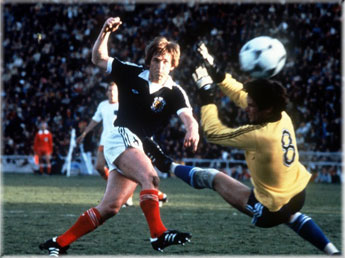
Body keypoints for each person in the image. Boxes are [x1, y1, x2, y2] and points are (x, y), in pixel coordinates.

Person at [144, 43, 340, 255]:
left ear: (267, 109)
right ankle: (334, 252)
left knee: (212, 177)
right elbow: (240, 94)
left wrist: (206, 95)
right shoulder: (282, 116)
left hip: (269, 209)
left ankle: (167, 164)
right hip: (297, 194)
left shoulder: (260, 136)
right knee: (292, 216)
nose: (247, 108)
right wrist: (218, 74)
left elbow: (213, 132)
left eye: (253, 106)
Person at [39, 17, 199, 256]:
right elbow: (98, 59)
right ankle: (158, 234)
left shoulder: (175, 92)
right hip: (120, 134)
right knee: (151, 178)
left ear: (173, 64)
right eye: (155, 60)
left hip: (137, 146)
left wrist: (192, 129)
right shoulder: (131, 73)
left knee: (110, 207)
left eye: (165, 61)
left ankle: (59, 242)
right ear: (149, 60)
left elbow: (188, 116)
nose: (159, 65)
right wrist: (105, 31)